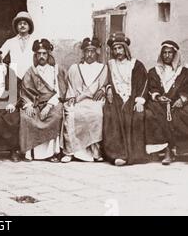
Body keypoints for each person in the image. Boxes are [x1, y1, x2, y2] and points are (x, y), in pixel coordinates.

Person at [103, 32, 148, 166]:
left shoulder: (136, 64)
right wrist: (109, 88)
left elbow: (144, 83)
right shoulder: (110, 64)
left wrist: (140, 100)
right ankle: (116, 154)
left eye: (120, 48)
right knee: (111, 116)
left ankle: (135, 155)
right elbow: (106, 81)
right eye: (115, 49)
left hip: (132, 97)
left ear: (125, 48)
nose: (118, 52)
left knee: (136, 116)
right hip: (115, 97)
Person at [19, 39, 67, 162]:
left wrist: (49, 105)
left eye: (44, 53)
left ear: (49, 54)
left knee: (56, 116)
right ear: (35, 55)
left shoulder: (56, 70)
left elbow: (61, 91)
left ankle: (53, 153)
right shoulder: (31, 71)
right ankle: (30, 152)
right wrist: (28, 105)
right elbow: (25, 91)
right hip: (35, 103)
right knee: (27, 117)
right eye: (39, 54)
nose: (41, 56)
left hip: (53, 102)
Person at [62, 38, 108, 163]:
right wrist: (71, 97)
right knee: (71, 114)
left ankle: (95, 152)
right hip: (78, 100)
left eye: (92, 51)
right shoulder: (75, 68)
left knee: (97, 114)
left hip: (95, 101)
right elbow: (70, 86)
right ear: (83, 52)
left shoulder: (103, 68)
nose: (89, 54)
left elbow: (108, 84)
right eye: (87, 51)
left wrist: (103, 89)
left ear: (97, 52)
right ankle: (71, 151)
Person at [145, 40, 188, 165]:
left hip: (177, 103)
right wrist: (158, 97)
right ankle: (166, 150)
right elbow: (152, 88)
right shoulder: (154, 71)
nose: (167, 55)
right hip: (160, 103)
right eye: (164, 53)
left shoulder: (184, 72)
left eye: (170, 53)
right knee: (154, 114)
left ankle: (177, 150)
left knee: (179, 115)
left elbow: (186, 88)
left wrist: (182, 99)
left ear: (175, 55)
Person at [1, 11, 38, 80]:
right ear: (16, 27)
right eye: (20, 24)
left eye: (25, 23)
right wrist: (4, 68)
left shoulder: (35, 41)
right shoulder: (10, 42)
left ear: (29, 26)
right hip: (14, 77)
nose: (22, 25)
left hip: (31, 77)